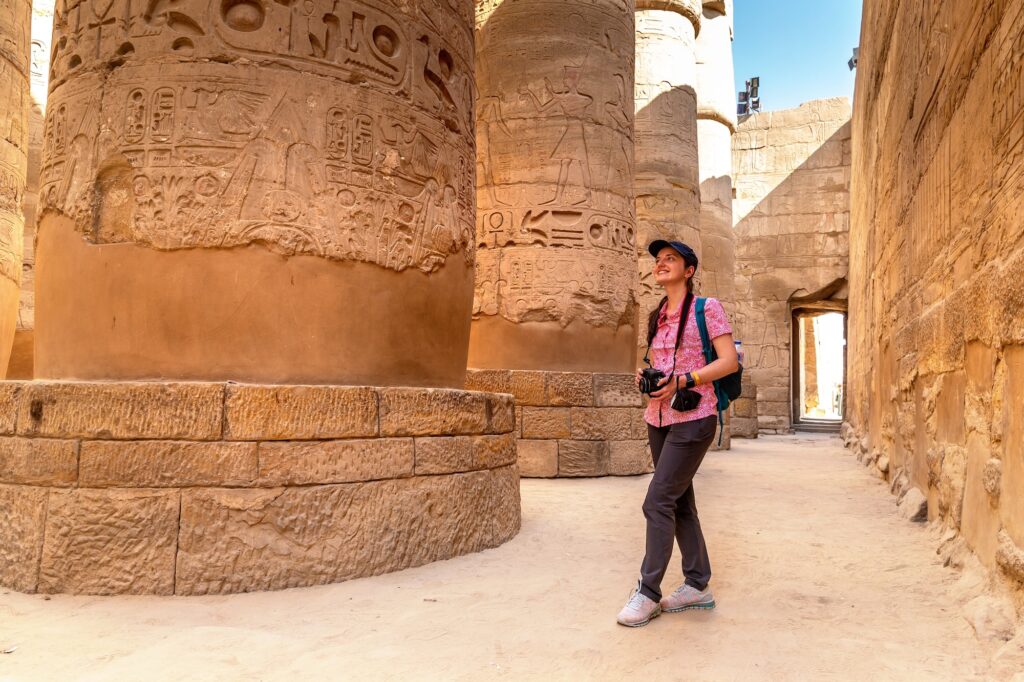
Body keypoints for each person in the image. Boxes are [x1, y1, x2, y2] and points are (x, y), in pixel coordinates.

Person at [616, 240, 739, 628]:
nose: (661, 263)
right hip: (659, 418)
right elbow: (662, 363)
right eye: (658, 259)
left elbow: (729, 361)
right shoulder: (658, 315)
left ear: (689, 270)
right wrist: (646, 375)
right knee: (679, 500)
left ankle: (648, 592)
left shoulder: (707, 308)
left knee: (656, 501)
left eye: (671, 259)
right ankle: (698, 585)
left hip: (695, 416)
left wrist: (685, 379)